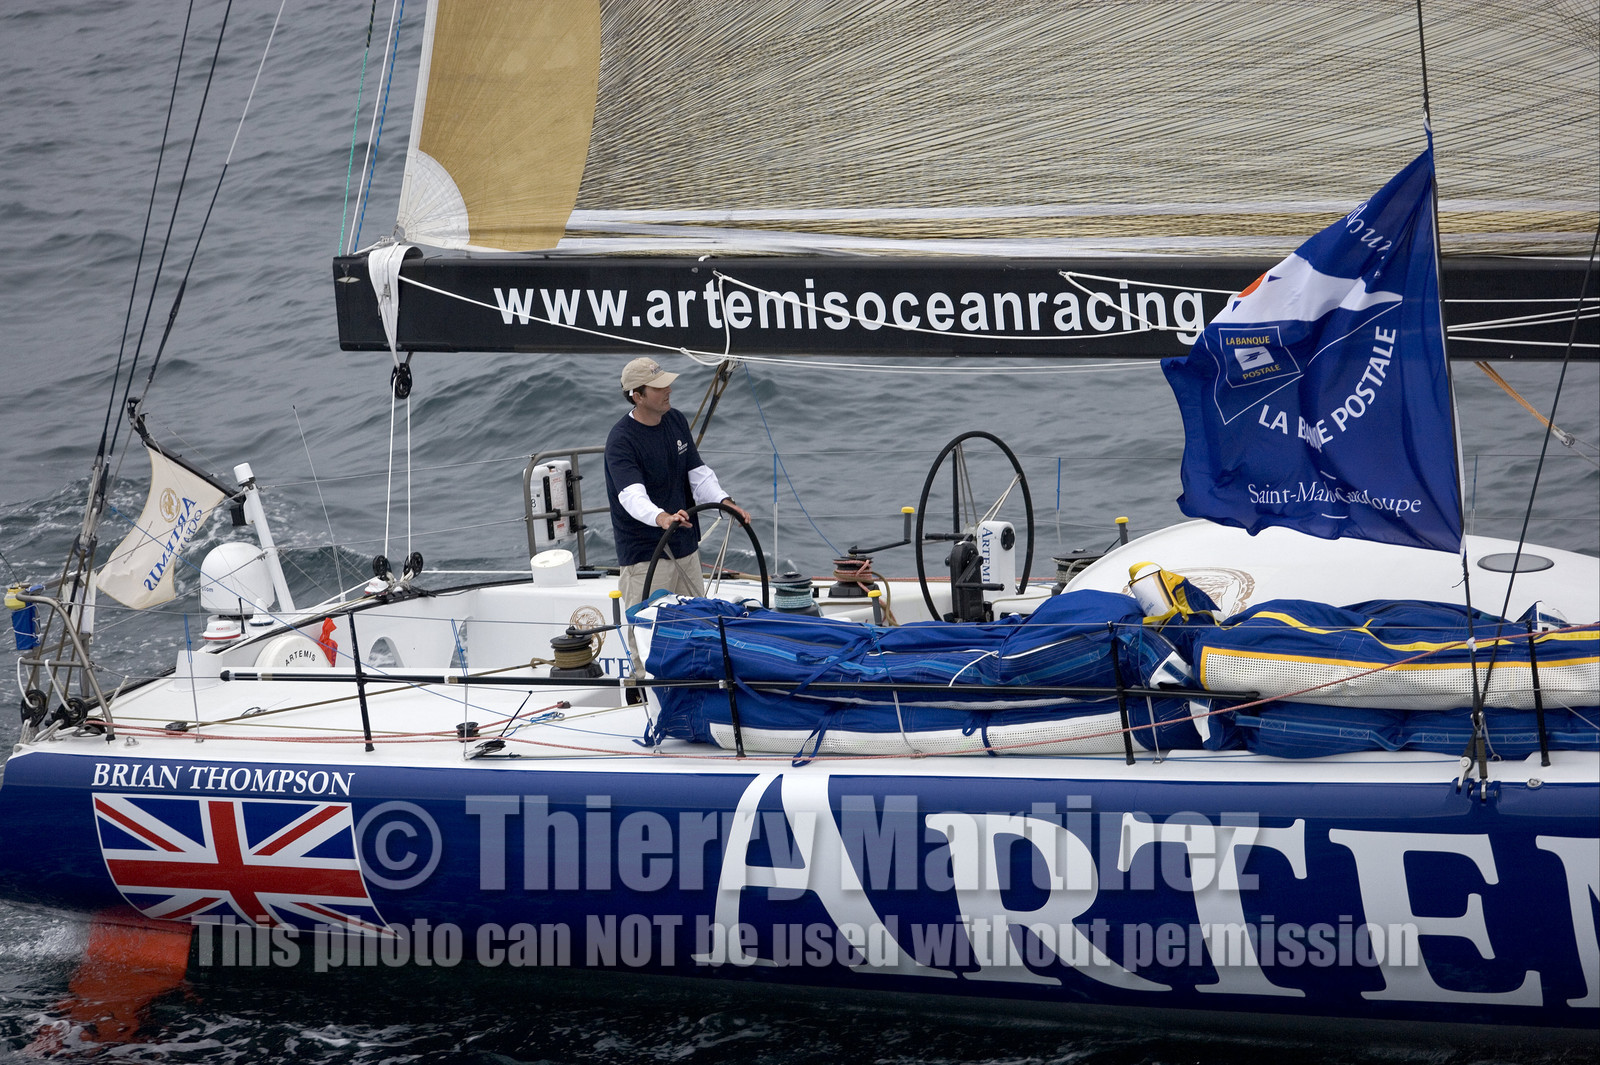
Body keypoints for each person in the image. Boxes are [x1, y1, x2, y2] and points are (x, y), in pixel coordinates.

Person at [604, 357, 750, 606]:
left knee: (698, 626)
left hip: (686, 548)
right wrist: (662, 518)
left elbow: (698, 474)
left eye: (666, 384)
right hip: (645, 557)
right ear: (637, 396)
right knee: (648, 633)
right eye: (659, 387)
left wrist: (725, 502)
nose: (668, 390)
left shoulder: (676, 420)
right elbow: (631, 496)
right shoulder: (621, 441)